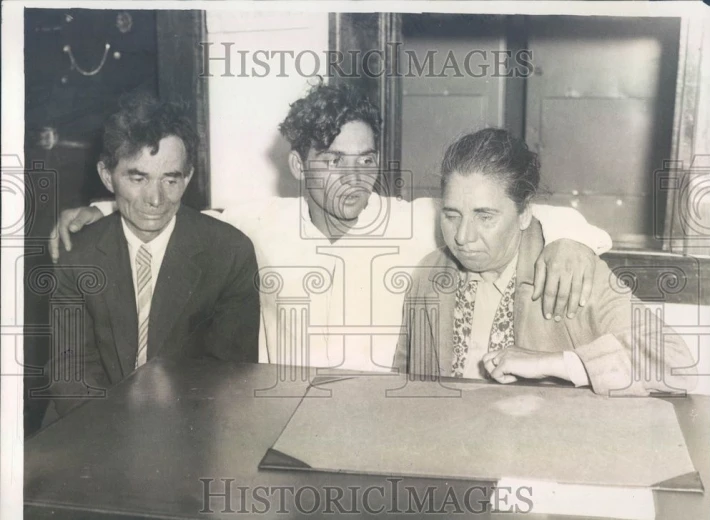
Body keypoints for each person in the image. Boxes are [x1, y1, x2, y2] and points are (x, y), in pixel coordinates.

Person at [50, 82, 612, 375]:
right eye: (333, 160)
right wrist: (96, 210)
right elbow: (168, 213)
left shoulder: (424, 222)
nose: (354, 178)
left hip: (385, 420)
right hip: (277, 424)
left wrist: (572, 245)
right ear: (298, 166)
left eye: (365, 160)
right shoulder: (256, 222)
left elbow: (533, 217)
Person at [393, 129, 695, 396]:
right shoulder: (430, 273)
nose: (462, 236)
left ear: (524, 213)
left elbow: (676, 363)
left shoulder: (570, 271)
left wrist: (554, 363)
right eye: (451, 215)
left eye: (485, 216)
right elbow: (405, 381)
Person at [45, 93, 260, 417]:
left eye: (170, 179)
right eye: (138, 178)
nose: (155, 198)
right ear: (107, 176)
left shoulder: (229, 253)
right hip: (90, 424)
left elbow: (230, 375)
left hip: (190, 424)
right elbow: (71, 371)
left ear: (187, 177)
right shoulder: (78, 255)